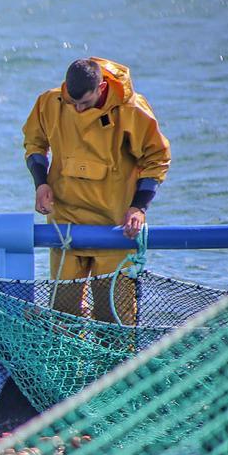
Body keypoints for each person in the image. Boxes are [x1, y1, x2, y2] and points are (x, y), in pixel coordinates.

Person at [22, 57, 171, 324]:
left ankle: (118, 366)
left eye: (85, 103)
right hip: (65, 226)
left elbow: (156, 159)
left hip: (115, 228)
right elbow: (34, 143)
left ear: (101, 88)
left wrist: (138, 207)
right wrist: (41, 182)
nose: (78, 109)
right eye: (72, 102)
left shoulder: (132, 111)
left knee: (114, 318)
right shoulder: (50, 102)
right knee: (62, 317)